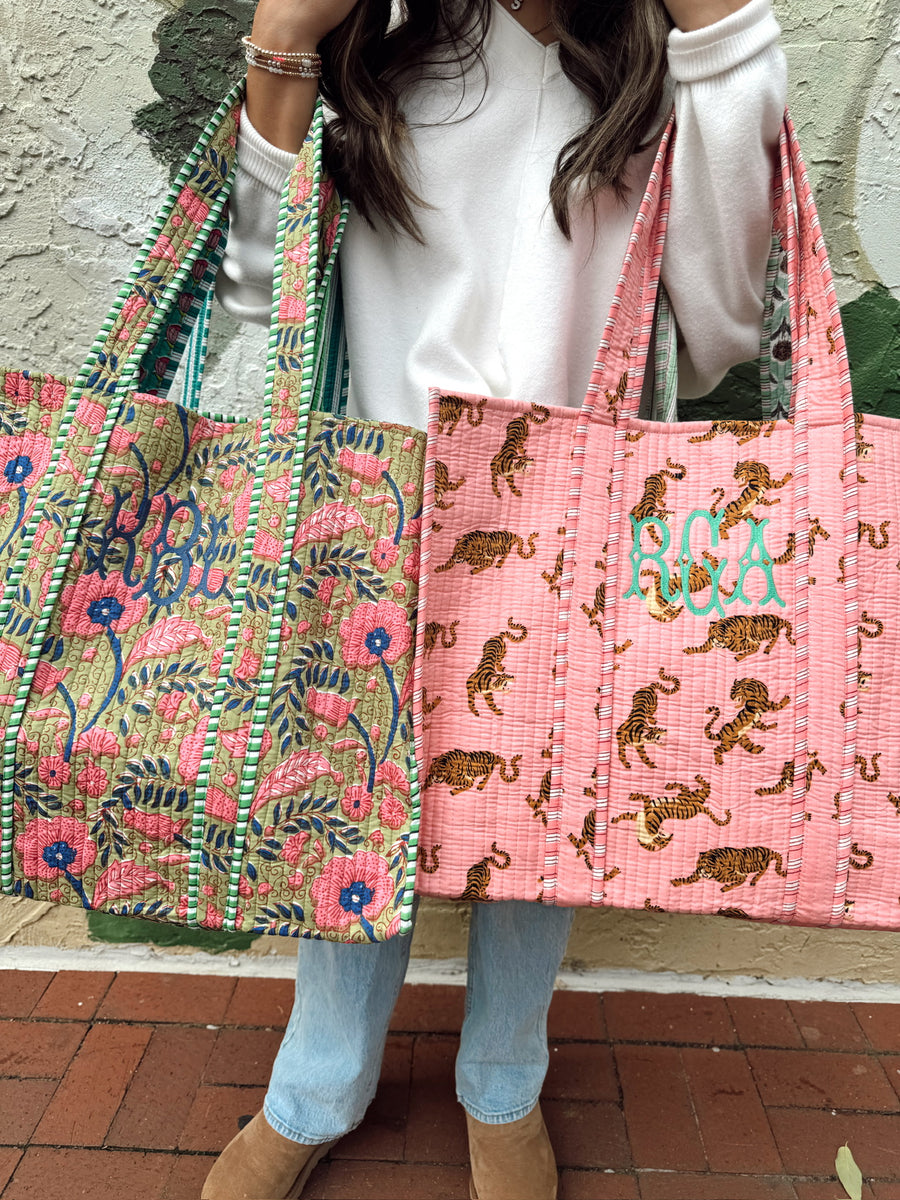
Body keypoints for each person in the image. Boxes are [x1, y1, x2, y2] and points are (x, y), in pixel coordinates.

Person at [203, 1, 787, 1197]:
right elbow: (255, 295)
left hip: (573, 506)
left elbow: (723, 328)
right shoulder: (383, 41)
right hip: (380, 494)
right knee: (351, 794)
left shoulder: (639, 66)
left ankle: (505, 1075)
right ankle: (321, 1078)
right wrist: (283, 39)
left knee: (546, 808)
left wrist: (725, 41)